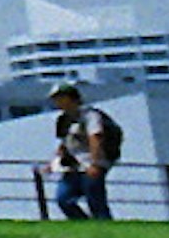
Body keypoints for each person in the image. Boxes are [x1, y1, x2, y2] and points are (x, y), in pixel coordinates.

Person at [50, 82, 122, 223]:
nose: (57, 102)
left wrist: (95, 164)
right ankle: (84, 224)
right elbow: (64, 144)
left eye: (60, 98)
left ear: (71, 98)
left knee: (95, 200)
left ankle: (104, 227)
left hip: (91, 165)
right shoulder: (63, 120)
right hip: (74, 166)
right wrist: (54, 163)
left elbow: (95, 137)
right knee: (64, 198)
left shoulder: (90, 116)